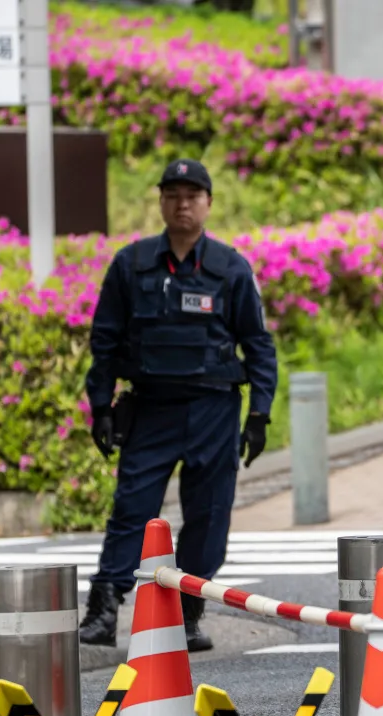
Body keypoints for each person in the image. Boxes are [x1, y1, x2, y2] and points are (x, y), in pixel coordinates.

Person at [78, 158, 278, 652]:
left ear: (208, 203)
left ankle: (188, 613)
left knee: (209, 514)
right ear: (161, 201)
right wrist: (101, 407)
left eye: (192, 195)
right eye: (172, 195)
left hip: (213, 410)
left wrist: (259, 415)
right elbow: (104, 342)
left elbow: (258, 345)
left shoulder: (231, 268)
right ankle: (104, 609)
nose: (182, 203)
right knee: (133, 510)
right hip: (151, 408)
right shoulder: (131, 264)